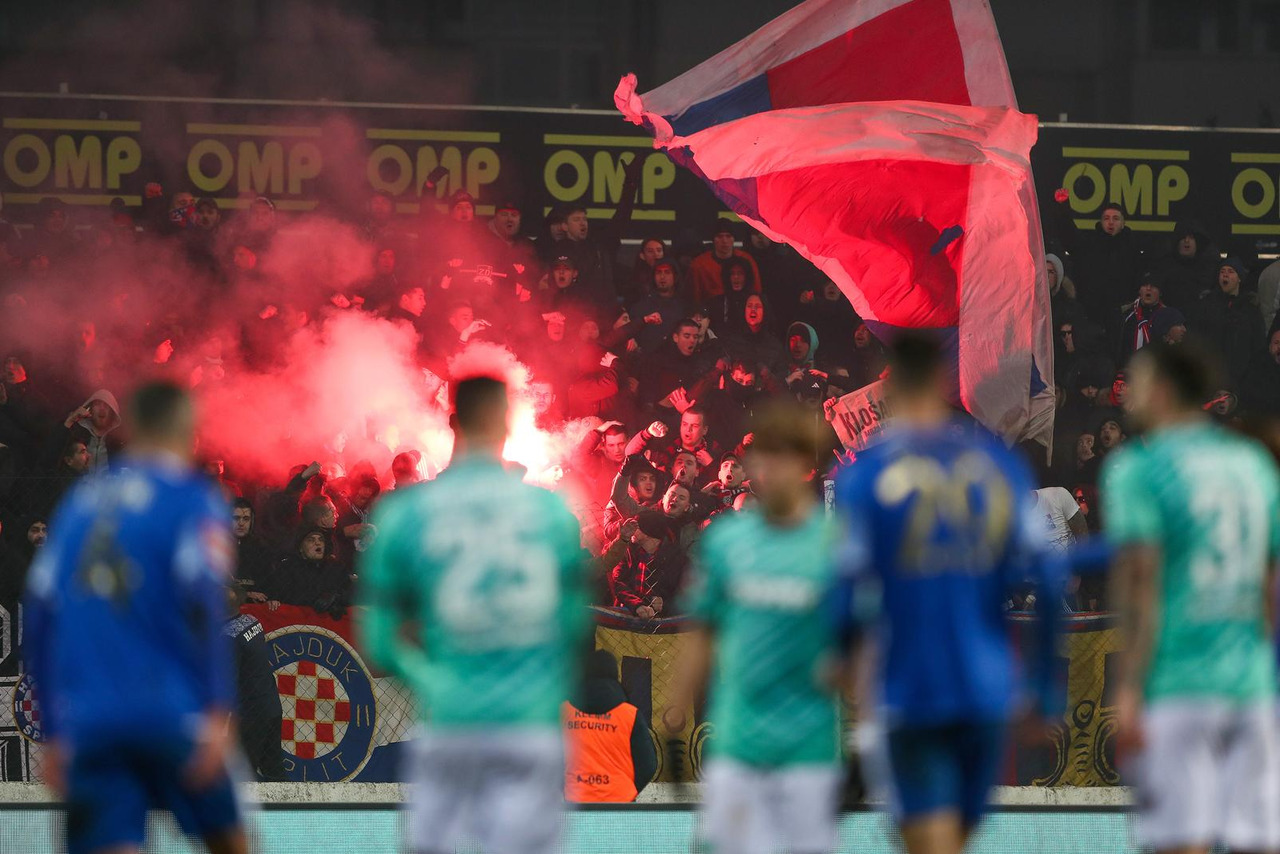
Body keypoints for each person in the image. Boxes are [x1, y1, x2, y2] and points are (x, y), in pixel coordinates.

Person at [830, 333, 1058, 854]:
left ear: (889, 387)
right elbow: (1046, 576)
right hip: (986, 684)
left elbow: (845, 587)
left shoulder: (866, 476)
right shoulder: (997, 467)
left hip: (910, 686)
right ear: (942, 383)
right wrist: (1042, 687)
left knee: (925, 835)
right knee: (952, 834)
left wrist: (841, 657)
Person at [359, 375, 590, 854]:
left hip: (451, 719)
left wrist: (436, 682)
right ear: (506, 423)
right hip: (530, 722)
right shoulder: (551, 513)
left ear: (452, 422)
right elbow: (574, 625)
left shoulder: (405, 514)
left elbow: (380, 642)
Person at [22, 382, 247, 854]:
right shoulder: (193, 498)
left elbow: (39, 615)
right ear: (191, 432)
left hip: (93, 720)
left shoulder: (80, 504)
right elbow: (206, 605)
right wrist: (217, 709)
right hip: (171, 713)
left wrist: (56, 733)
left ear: (136, 427)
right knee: (231, 839)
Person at [1103, 342, 1280, 854]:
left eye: (1134, 382)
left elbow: (1140, 580)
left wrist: (1131, 686)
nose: (1126, 393)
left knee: (1182, 844)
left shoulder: (1139, 467)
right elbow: (1271, 582)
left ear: (1160, 392)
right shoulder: (1254, 464)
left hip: (1179, 682)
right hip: (1250, 685)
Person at [674, 401, 842, 854]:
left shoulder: (834, 547)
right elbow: (703, 633)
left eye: (788, 458)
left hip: (809, 747)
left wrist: (863, 734)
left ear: (807, 469)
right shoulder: (726, 543)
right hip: (738, 740)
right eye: (767, 457)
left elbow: (858, 644)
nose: (775, 469)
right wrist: (674, 709)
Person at [562, 649, 657, 802]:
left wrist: (567, 787)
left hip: (575, 798)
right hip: (620, 799)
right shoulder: (629, 714)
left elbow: (550, 757)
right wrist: (627, 790)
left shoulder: (564, 712)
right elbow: (649, 764)